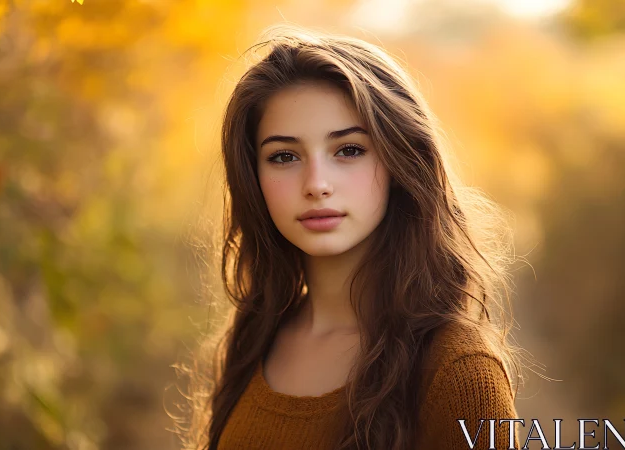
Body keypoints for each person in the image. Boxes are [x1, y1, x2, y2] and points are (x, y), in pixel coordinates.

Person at [180, 23, 526, 450]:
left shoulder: (458, 371)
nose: (316, 184)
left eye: (349, 150)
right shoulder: (255, 340)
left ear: (400, 162)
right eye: (284, 156)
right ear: (254, 178)